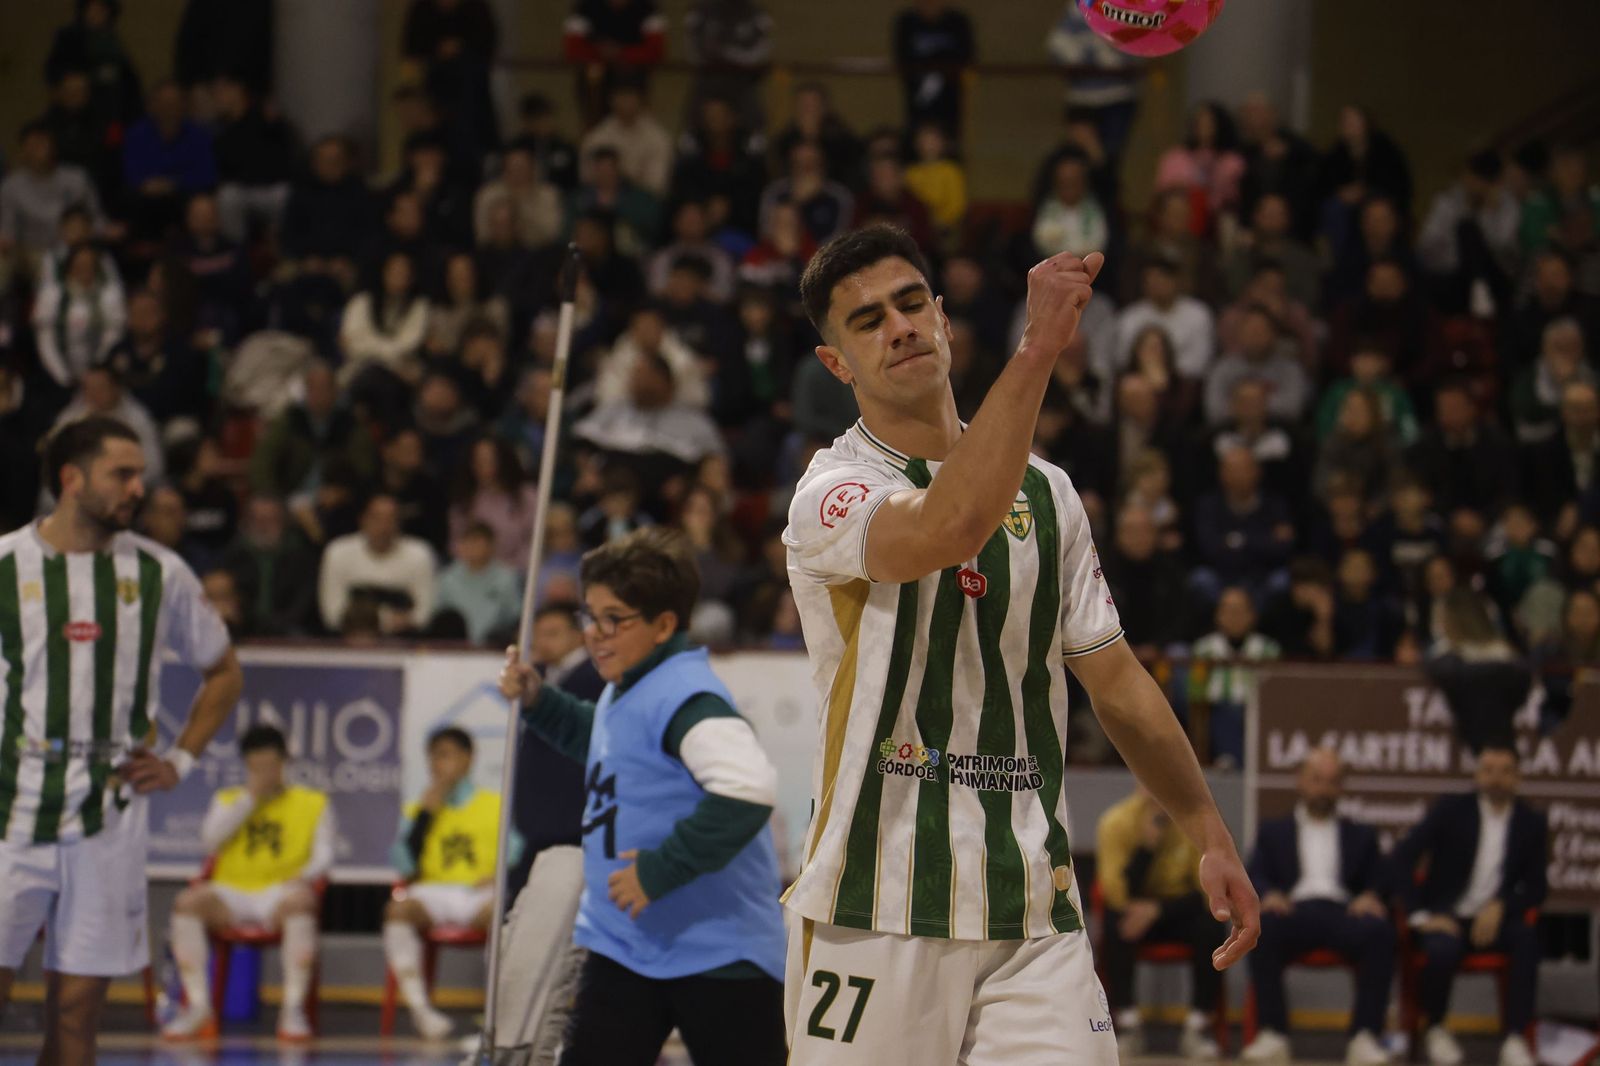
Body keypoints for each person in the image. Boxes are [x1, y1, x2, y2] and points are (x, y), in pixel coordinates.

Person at [776, 224, 1258, 1063]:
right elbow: (951, 523)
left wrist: (1208, 831)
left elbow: (1116, 682)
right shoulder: (831, 492)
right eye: (866, 321)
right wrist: (1039, 347)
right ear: (837, 365)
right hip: (878, 897)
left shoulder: (1051, 493)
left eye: (911, 302)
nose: (899, 326)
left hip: (1030, 902)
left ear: (945, 321)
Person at [0, 416, 242, 1065]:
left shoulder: (161, 572)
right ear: (72, 479)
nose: (139, 489)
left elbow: (223, 670)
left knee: (78, 1014)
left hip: (109, 816)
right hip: (10, 812)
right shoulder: (4, 565)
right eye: (123, 474)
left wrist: (180, 759)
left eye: (141, 474)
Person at [498, 527, 787, 1065]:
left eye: (615, 619)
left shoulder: (687, 698)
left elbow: (749, 793)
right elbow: (603, 740)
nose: (595, 634)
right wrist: (540, 701)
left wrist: (661, 870)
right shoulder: (625, 687)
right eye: (591, 615)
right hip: (627, 947)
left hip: (718, 953)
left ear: (664, 625)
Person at [160, 724, 334, 1041]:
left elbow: (324, 853)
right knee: (187, 903)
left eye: (270, 765)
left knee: (302, 903)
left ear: (285, 761)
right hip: (232, 893)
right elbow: (210, 841)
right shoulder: (229, 798)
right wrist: (250, 799)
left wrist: (305, 875)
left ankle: (293, 1009)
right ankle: (198, 1006)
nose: (264, 772)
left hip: (281, 892)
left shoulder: (312, 802)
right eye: (256, 766)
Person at [1390, 746, 1546, 1066]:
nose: (1496, 779)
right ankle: (1435, 1026)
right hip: (1447, 916)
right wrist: (1421, 916)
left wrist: (1502, 904)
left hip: (1496, 919)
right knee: (1441, 948)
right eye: (1489, 770)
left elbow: (1537, 887)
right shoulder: (1452, 809)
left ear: (1517, 777)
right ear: (1477, 774)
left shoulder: (1531, 821)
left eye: (1505, 771)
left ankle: (1516, 1036)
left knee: (1528, 939)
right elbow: (1403, 857)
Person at [1239, 749, 1394, 1066]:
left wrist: (1371, 895)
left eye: (1332, 782)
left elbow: (1382, 880)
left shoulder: (1361, 834)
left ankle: (1364, 1036)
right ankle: (1273, 1034)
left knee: (1380, 932)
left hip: (1344, 913)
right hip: (1293, 911)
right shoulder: (1273, 832)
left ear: (1341, 787)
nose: (1323, 789)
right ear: (1301, 781)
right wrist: (1267, 894)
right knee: (1261, 928)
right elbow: (1255, 875)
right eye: (1316, 780)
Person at [384, 727, 521, 1040]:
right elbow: (403, 865)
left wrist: (499, 874)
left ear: (467, 759)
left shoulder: (493, 804)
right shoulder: (419, 808)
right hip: (433, 893)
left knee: (501, 915)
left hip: (478, 895)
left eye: (446, 756)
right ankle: (421, 1012)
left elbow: (516, 854)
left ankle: (497, 1018)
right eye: (433, 757)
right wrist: (425, 817)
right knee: (397, 910)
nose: (438, 765)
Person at [1096, 785, 1227, 1060]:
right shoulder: (1115, 822)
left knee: (1212, 924)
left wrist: (1158, 910)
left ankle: (1198, 1025)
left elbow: (1205, 892)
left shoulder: (1192, 826)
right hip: (1134, 912)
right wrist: (1146, 847)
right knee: (1113, 922)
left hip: (1174, 912)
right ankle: (1128, 1025)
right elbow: (1115, 892)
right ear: (1140, 787)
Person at [317, 493, 438, 636]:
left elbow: (425, 612)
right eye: (376, 519)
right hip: (350, 640)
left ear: (399, 523)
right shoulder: (337, 552)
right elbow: (332, 613)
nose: (383, 527)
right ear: (362, 520)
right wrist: (379, 622)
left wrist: (407, 621)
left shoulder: (420, 554)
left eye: (390, 519)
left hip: (405, 640)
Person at [433, 521, 521, 645]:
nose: (471, 546)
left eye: (476, 541)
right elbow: (440, 615)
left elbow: (514, 617)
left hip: (494, 646)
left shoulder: (507, 578)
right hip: (455, 647)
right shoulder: (447, 578)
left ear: (491, 545)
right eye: (466, 541)